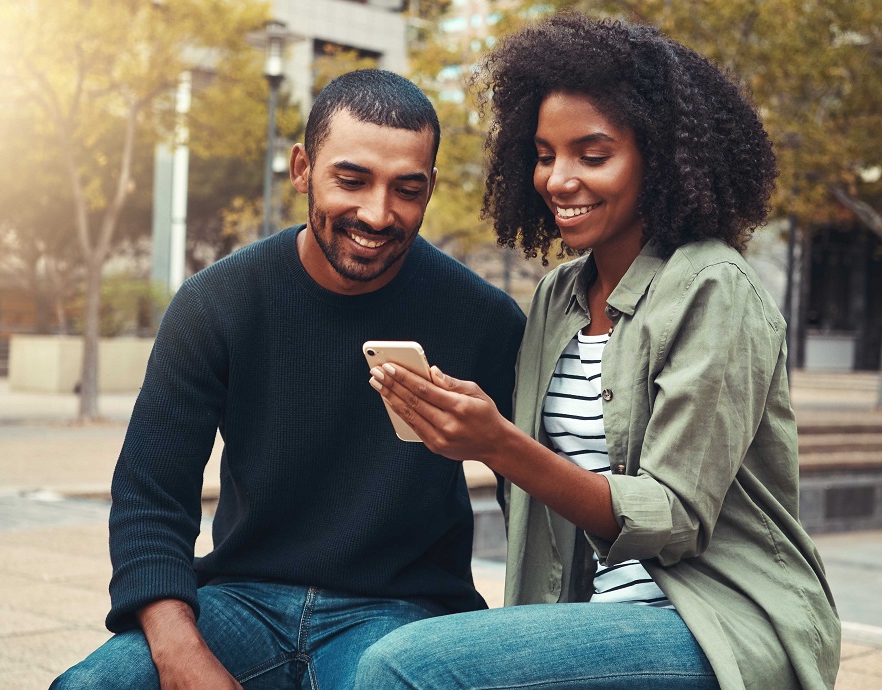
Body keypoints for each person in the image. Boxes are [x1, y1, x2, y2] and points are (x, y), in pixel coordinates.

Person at [358, 14, 840, 690]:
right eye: (546, 153)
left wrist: (498, 444)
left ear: (662, 158)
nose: (558, 179)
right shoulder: (558, 295)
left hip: (716, 624)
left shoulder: (713, 288)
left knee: (400, 666)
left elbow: (672, 519)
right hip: (597, 617)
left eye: (593, 153)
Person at [51, 69, 526, 689]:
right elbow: (150, 497)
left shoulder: (483, 320)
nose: (377, 213)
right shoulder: (216, 301)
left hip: (399, 616)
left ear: (430, 188)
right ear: (303, 168)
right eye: (351, 180)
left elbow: (534, 502)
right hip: (241, 599)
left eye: (406, 189)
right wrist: (179, 652)